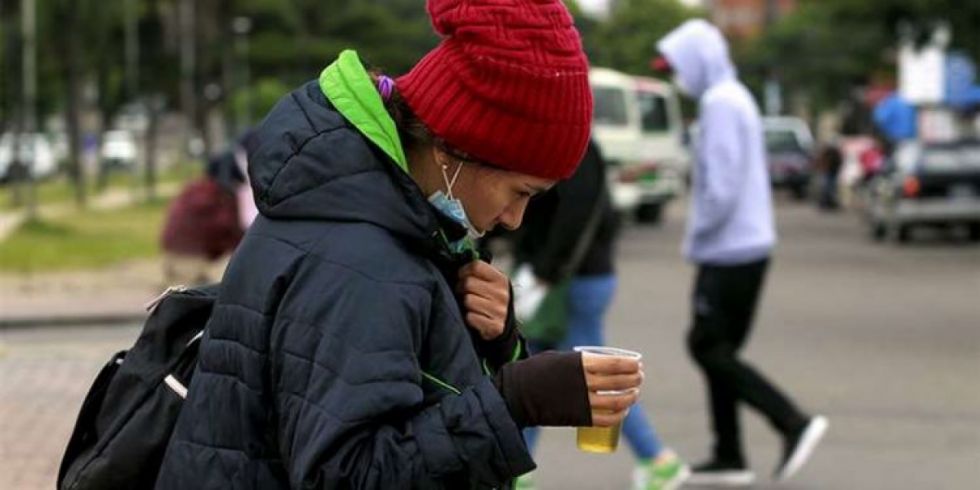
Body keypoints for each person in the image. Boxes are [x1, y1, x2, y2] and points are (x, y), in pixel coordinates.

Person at [155, 1, 643, 489]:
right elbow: (349, 475)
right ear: (456, 150)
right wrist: (511, 399)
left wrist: (491, 340)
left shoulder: (380, 220)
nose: (515, 220)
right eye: (520, 192)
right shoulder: (360, 259)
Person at [654, 20, 828, 486]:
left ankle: (791, 421)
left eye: (677, 65)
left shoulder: (720, 104)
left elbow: (722, 188)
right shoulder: (734, 97)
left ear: (697, 60)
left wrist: (697, 236)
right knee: (720, 349)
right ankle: (729, 453)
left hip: (729, 249)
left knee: (706, 346)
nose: (676, 75)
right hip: (743, 247)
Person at [510, 140, 690, 490]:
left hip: (571, 280)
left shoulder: (576, 144)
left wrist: (546, 269)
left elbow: (576, 212)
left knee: (597, 378)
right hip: (567, 277)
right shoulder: (570, 142)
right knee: (531, 368)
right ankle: (518, 468)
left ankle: (658, 459)